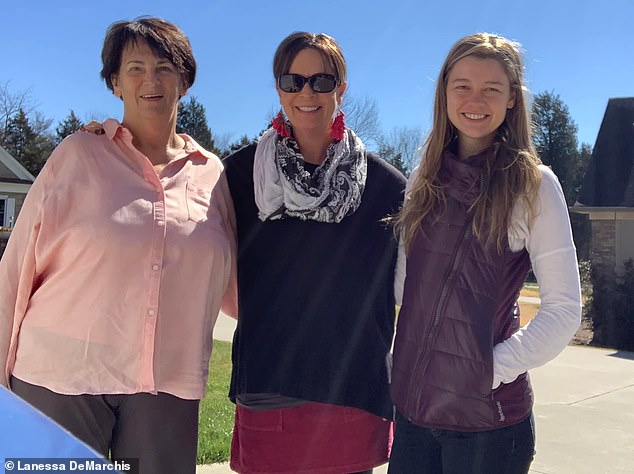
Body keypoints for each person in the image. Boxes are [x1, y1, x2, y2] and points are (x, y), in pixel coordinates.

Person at [0, 17, 236, 473]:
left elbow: (236, 282)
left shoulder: (212, 174)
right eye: (135, 68)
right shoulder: (77, 155)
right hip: (60, 378)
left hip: (166, 383)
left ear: (184, 81)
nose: (151, 80)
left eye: (166, 67)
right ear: (115, 83)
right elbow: (16, 269)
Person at [388, 33, 582, 474]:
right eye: (462, 86)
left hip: (488, 425)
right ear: (444, 92)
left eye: (491, 89)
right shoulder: (424, 176)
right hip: (415, 413)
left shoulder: (534, 185)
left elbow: (564, 309)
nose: (475, 100)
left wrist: (488, 371)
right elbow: (404, 285)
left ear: (512, 98)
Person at [224, 32, 406, 473]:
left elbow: (403, 289)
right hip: (270, 386)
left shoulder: (386, 187)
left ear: (341, 89)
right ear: (279, 89)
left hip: (353, 390)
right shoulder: (240, 176)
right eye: (293, 81)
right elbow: (213, 270)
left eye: (322, 81)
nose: (307, 92)